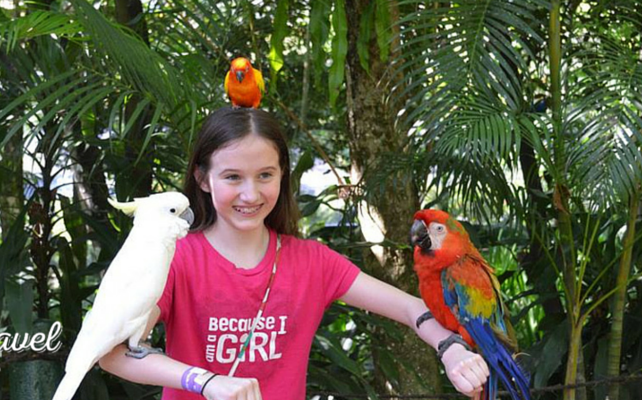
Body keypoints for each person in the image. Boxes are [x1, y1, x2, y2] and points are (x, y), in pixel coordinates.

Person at [99, 107, 488, 400]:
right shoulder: (175, 259)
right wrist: (205, 381)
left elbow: (409, 309)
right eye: (232, 177)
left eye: (265, 175)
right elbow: (114, 353)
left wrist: (450, 348)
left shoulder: (312, 262)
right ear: (203, 179)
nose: (250, 195)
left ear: (283, 174)